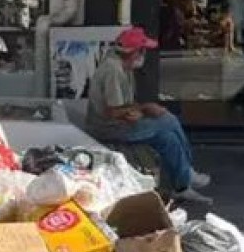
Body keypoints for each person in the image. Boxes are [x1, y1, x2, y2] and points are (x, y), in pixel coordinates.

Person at [83, 26, 213, 203]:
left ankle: (182, 187)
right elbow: (113, 111)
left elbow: (124, 105)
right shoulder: (113, 70)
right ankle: (188, 173)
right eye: (142, 51)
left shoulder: (123, 66)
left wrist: (141, 109)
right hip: (108, 128)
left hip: (120, 123)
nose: (144, 55)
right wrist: (144, 109)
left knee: (168, 139)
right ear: (135, 52)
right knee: (168, 120)